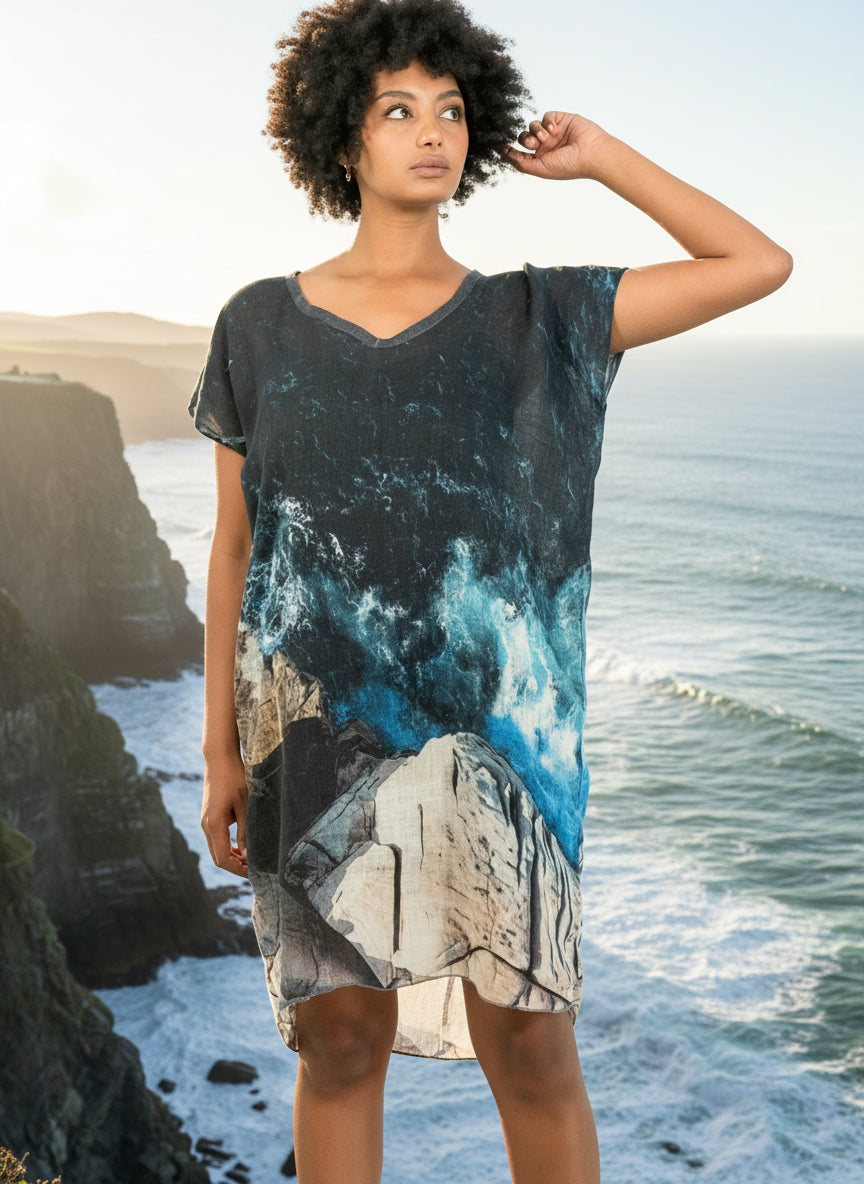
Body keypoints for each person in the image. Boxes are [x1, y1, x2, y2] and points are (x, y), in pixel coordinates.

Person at [187, 1, 792, 1181]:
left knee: (533, 1050)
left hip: (506, 759)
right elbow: (234, 546)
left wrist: (601, 154)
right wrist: (217, 751)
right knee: (339, 1046)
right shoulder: (256, 325)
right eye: (397, 109)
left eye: (452, 109)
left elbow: (756, 263)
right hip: (308, 745)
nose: (433, 132)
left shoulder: (541, 316)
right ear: (341, 137)